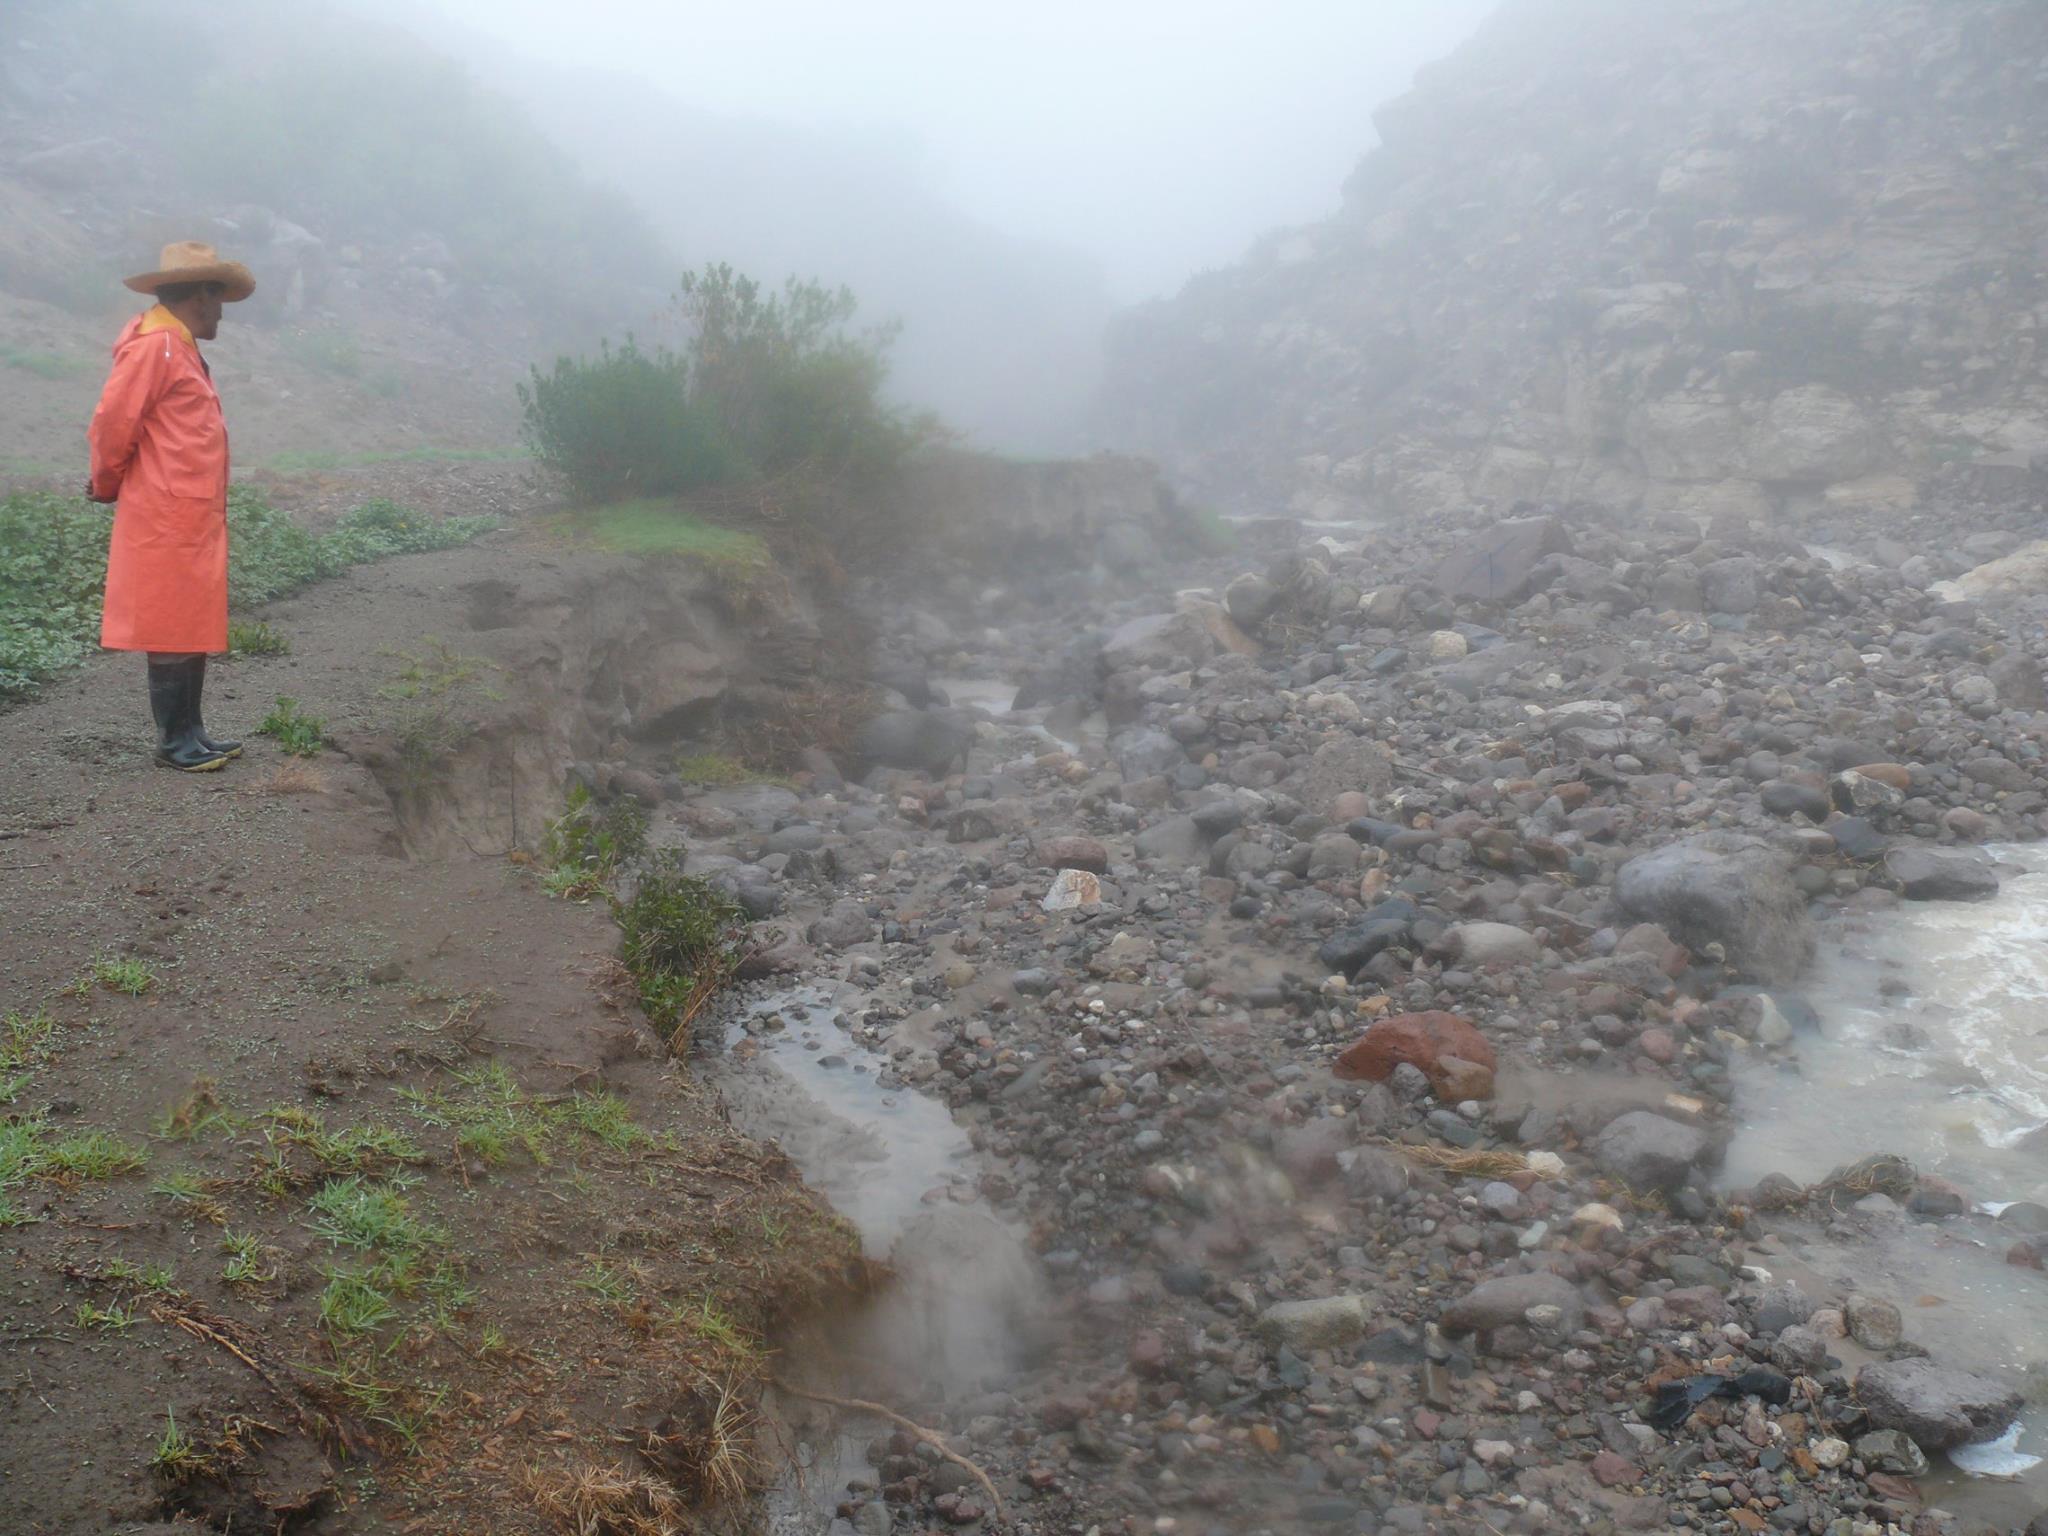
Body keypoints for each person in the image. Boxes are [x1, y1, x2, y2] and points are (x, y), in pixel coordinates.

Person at [87, 241, 257, 772]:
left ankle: (192, 731)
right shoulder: (154, 345)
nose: (222, 311)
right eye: (218, 297)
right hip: (164, 510)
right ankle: (172, 741)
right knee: (168, 620)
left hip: (187, 509)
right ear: (200, 296)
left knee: (187, 618)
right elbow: (114, 424)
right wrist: (106, 482)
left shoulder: (175, 345)